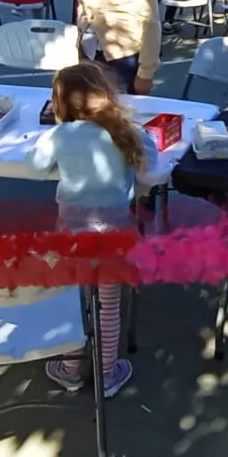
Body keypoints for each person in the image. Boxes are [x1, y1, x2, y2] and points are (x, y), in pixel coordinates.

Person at [28, 63, 148, 396]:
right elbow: (149, 163)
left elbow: (35, 166)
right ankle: (107, 373)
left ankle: (70, 367)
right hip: (114, 236)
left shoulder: (59, 135)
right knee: (108, 305)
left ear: (59, 103)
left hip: (71, 237)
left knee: (71, 300)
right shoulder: (123, 131)